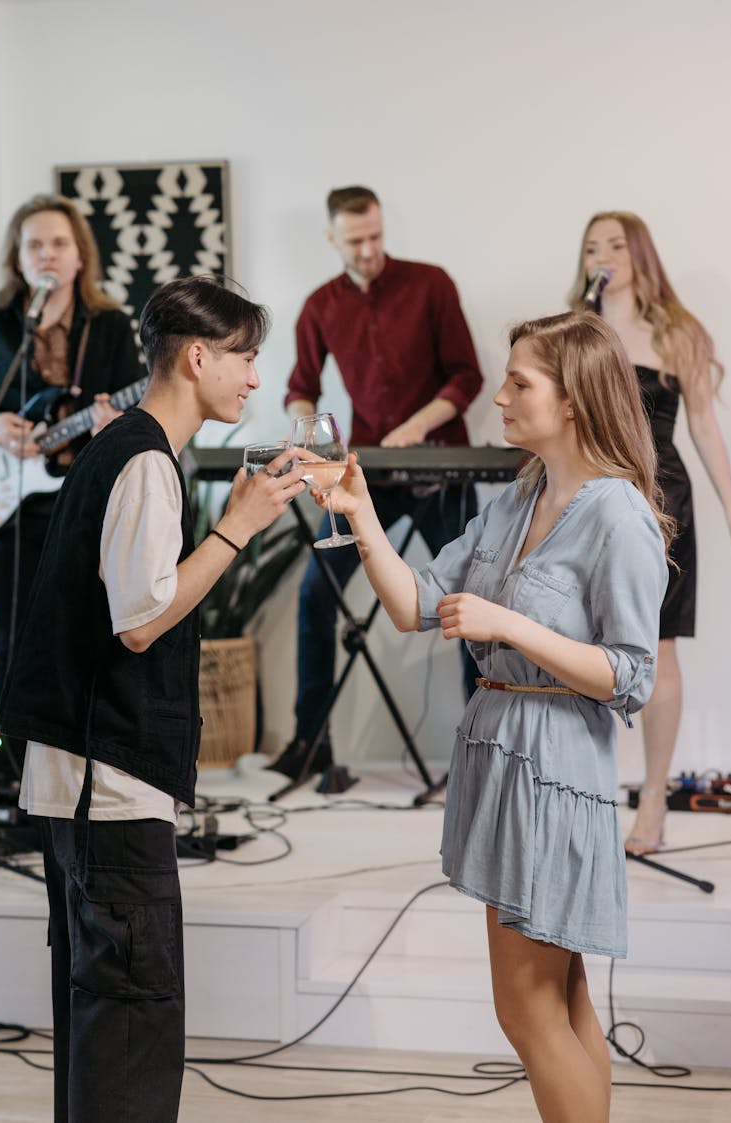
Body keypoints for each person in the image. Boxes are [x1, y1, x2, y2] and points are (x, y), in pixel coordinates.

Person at [311, 311, 669, 1122]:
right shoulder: (517, 500)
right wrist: (360, 510)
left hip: (555, 767)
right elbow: (414, 605)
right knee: (563, 1001)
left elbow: (632, 674)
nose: (498, 396)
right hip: (504, 755)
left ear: (574, 398)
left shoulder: (617, 514)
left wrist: (510, 625)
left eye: (520, 383)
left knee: (528, 1010)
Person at [0, 275, 305, 1123]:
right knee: (131, 1026)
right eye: (245, 358)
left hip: (83, 783)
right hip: (112, 789)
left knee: (101, 1023)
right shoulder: (142, 463)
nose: (251, 378)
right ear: (198, 356)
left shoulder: (123, 449)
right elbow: (139, 621)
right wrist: (237, 526)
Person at [274, 185, 485, 779]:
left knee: (471, 599)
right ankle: (311, 746)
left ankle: (482, 747)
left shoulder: (431, 283)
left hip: (442, 466)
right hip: (368, 475)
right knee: (318, 592)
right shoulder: (319, 305)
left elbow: (466, 375)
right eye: (355, 241)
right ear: (331, 238)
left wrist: (413, 429)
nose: (368, 250)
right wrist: (307, 431)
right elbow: (300, 383)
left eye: (376, 236)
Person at [569, 211, 731, 853]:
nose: (604, 255)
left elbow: (703, 425)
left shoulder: (677, 332)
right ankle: (583, 789)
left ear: (641, 253)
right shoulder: (578, 328)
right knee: (579, 644)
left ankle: (654, 797)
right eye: (592, 247)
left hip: (664, 502)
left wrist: (730, 506)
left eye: (616, 245)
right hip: (590, 497)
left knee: (658, 650)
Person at [0, 193, 143, 703]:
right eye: (34, 245)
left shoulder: (112, 326)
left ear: (80, 256)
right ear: (17, 257)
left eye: (58, 243)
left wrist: (111, 428)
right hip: (9, 506)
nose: (46, 255)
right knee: (15, 637)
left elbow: (141, 411)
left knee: (84, 633)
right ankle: (10, 770)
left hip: (84, 502)